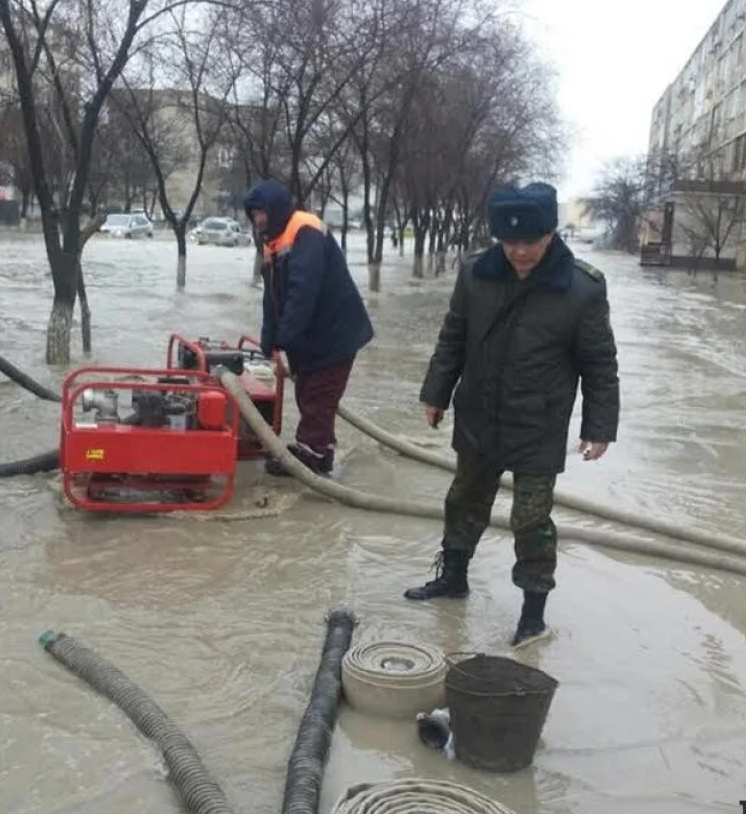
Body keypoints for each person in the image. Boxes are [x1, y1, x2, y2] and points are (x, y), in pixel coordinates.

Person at [405, 182, 620, 648]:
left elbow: (599, 364)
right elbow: (453, 338)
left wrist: (599, 427)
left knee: (530, 519)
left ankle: (532, 614)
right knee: (463, 499)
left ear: (550, 234)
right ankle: (453, 579)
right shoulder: (475, 275)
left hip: (538, 423)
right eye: (511, 242)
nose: (520, 251)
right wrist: (435, 394)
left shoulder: (582, 288)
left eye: (531, 241)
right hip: (480, 412)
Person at [243, 179, 374, 476]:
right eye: (252, 214)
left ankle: (312, 456)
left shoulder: (306, 230)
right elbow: (271, 295)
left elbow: (304, 290)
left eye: (261, 212)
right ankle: (319, 451)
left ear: (274, 209)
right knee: (307, 391)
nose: (258, 219)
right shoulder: (271, 241)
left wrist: (287, 335)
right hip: (311, 338)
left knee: (318, 396)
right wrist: (269, 337)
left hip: (335, 334)